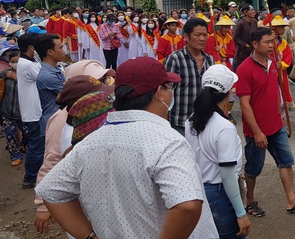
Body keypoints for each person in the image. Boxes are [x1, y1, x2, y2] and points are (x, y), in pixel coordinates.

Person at [34, 57, 218, 238]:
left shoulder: (90, 142)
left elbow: (50, 191)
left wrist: (89, 236)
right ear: (159, 92)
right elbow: (187, 205)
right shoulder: (167, 141)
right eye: (170, 87)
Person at [236, 27, 295, 217]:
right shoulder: (244, 69)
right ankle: (250, 201)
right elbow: (244, 105)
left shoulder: (272, 62)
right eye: (267, 42)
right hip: (257, 130)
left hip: (276, 126)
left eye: (272, 42)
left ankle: (291, 200)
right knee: (253, 169)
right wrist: (256, 132)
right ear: (255, 45)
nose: (272, 45)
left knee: (286, 162)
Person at [33, 61, 115, 235]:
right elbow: (52, 161)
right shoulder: (61, 121)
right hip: (81, 203)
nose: (107, 86)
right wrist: (42, 205)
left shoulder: (98, 115)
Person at [186, 65, 252, 239]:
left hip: (198, 190)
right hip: (219, 195)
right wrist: (241, 213)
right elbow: (228, 175)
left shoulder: (191, 120)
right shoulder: (224, 128)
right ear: (229, 93)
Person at [164, 18, 215, 136]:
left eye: (205, 35)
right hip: (180, 122)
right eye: (198, 35)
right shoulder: (175, 59)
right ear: (186, 37)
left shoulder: (209, 59)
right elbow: (166, 92)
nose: (202, 39)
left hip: (204, 121)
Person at [17, 33, 42, 189]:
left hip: (33, 110)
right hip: (33, 112)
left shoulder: (29, 61)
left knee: (38, 145)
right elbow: (44, 78)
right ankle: (30, 177)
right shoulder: (27, 64)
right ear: (31, 47)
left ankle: (33, 175)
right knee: (36, 146)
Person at [0, 44, 25, 166]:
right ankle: (15, 156)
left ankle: (24, 146)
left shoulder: (27, 74)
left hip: (22, 111)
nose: (14, 64)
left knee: (28, 132)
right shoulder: (6, 73)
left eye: (16, 62)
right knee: (10, 135)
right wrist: (6, 75)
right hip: (6, 110)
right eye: (12, 61)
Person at [35, 34, 65, 129]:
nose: (63, 51)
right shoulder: (48, 76)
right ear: (50, 52)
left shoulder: (54, 70)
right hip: (53, 125)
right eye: (61, 48)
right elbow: (70, 93)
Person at [232, 4, 258, 70]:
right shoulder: (241, 23)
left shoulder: (255, 22)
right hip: (243, 53)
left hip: (253, 51)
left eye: (253, 10)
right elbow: (235, 37)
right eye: (251, 10)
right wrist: (244, 45)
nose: (253, 12)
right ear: (245, 12)